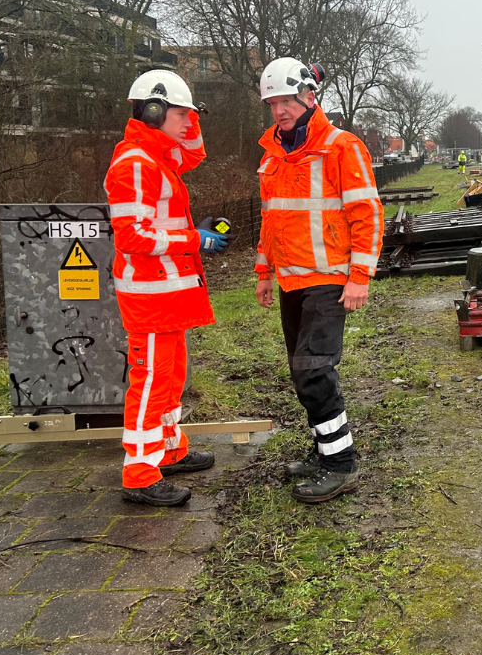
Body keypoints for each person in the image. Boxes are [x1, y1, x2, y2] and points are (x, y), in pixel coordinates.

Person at [254, 57, 383, 503]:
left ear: (310, 97)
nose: (280, 111)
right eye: (273, 103)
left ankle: (340, 465)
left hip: (330, 279)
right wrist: (264, 270)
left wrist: (360, 276)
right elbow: (271, 221)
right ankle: (326, 448)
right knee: (301, 370)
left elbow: (366, 213)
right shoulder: (273, 154)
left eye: (287, 101)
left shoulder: (340, 146)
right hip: (291, 281)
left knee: (313, 370)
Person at [104, 70, 233, 507]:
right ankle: (139, 474)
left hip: (167, 294)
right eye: (180, 114)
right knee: (152, 382)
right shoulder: (135, 164)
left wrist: (188, 116)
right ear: (154, 111)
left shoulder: (159, 156)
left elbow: (194, 155)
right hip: (150, 296)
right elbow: (133, 237)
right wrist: (194, 239)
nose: (188, 123)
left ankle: (167, 451)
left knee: (171, 377)